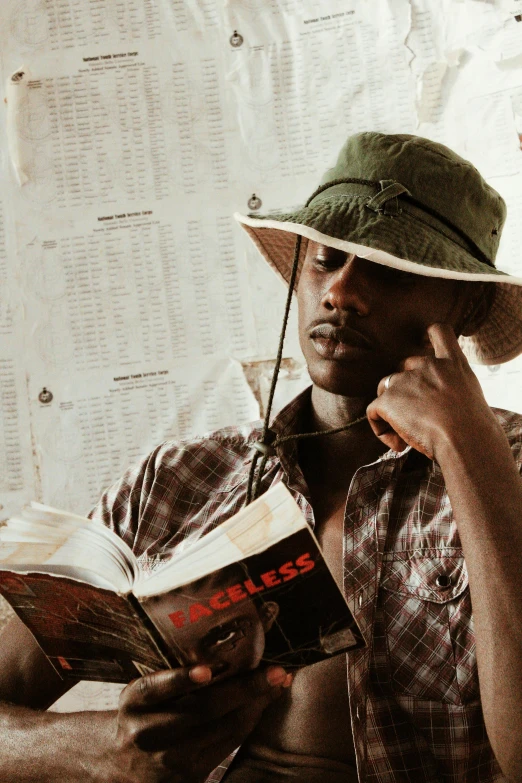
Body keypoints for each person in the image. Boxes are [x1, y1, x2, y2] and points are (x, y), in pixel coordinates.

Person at [1, 132, 522, 783]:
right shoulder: (177, 483)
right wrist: (103, 750)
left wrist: (473, 450)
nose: (342, 292)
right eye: (325, 259)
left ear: (465, 303)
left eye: (387, 267)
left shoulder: (511, 469)